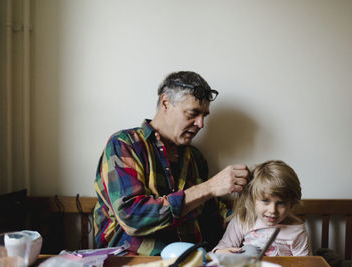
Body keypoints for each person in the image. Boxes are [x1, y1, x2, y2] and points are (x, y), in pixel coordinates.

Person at [93, 71, 250, 256]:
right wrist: (209, 187)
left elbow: (211, 217)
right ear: (166, 103)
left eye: (204, 116)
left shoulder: (195, 158)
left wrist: (259, 220)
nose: (201, 124)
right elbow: (132, 217)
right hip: (132, 261)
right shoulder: (124, 144)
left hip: (192, 259)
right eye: (193, 113)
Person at [213, 160, 312, 256]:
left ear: (291, 203)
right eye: (265, 201)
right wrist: (220, 253)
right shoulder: (243, 220)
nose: (272, 210)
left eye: (281, 203)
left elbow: (305, 263)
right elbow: (221, 249)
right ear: (252, 199)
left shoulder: (296, 230)